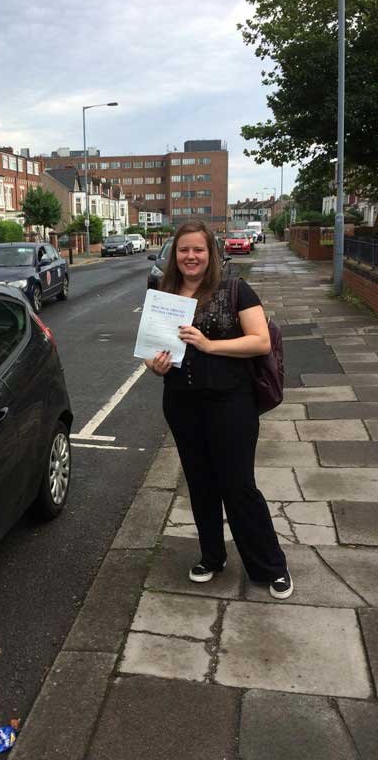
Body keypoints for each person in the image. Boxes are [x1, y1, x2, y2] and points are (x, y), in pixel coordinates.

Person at [145, 221, 293, 600]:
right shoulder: (165, 292)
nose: (190, 256)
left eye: (198, 250)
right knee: (200, 482)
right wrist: (153, 364)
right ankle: (212, 557)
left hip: (231, 402)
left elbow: (260, 342)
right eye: (183, 250)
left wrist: (209, 346)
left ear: (210, 253)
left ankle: (269, 565)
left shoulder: (235, 289)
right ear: (174, 255)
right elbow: (152, 351)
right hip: (181, 402)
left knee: (238, 485)